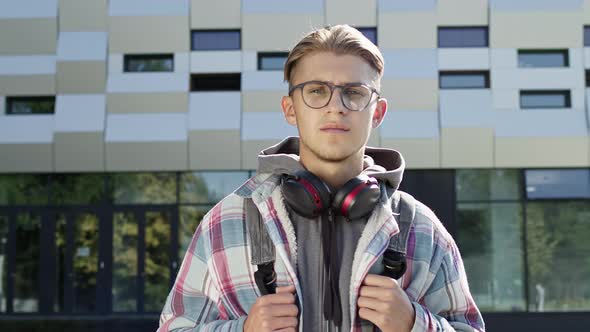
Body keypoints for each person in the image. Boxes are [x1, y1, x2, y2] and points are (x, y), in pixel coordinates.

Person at [157, 25, 485, 332]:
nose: (335, 107)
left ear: (378, 112)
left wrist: (414, 324)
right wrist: (243, 329)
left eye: (354, 92)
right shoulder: (226, 222)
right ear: (290, 108)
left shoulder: (420, 227)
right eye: (316, 91)